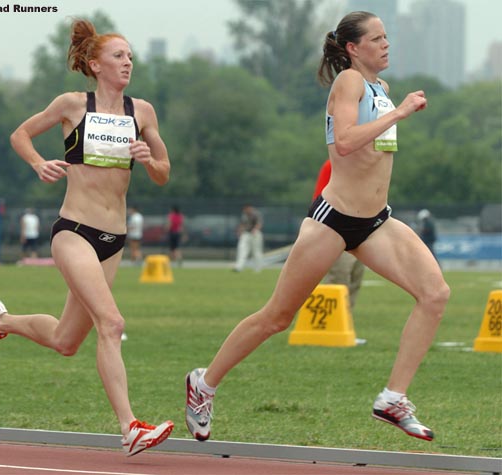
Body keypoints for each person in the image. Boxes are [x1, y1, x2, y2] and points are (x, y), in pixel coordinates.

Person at [185, 11, 449, 444]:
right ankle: (204, 383)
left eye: (388, 37)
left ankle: (393, 398)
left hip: (376, 221)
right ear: (353, 48)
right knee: (277, 317)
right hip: (334, 220)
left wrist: (394, 109)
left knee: (435, 293)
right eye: (377, 38)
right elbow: (343, 143)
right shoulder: (349, 82)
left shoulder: (381, 89)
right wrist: (400, 114)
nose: (386, 45)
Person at [0, 19, 174, 456]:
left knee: (66, 341)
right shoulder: (71, 105)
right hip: (75, 231)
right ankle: (130, 428)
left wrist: (148, 158)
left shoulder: (141, 112)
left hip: (113, 239)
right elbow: (20, 134)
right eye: (119, 56)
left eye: (131, 57)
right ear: (94, 63)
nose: (128, 63)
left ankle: (0, 322)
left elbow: (163, 173)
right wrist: (36, 163)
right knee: (112, 323)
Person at [313, 159, 365, 309]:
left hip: (360, 230)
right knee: (339, 280)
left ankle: (345, 325)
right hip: (337, 230)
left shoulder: (365, 165)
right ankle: (331, 326)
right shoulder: (335, 164)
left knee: (355, 279)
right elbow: (321, 199)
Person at [233, 204, 263, 273]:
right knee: (242, 250)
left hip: (255, 234)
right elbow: (242, 224)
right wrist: (239, 231)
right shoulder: (245, 215)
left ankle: (258, 268)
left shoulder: (256, 214)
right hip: (246, 234)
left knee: (256, 252)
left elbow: (259, 223)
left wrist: (255, 229)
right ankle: (239, 267)